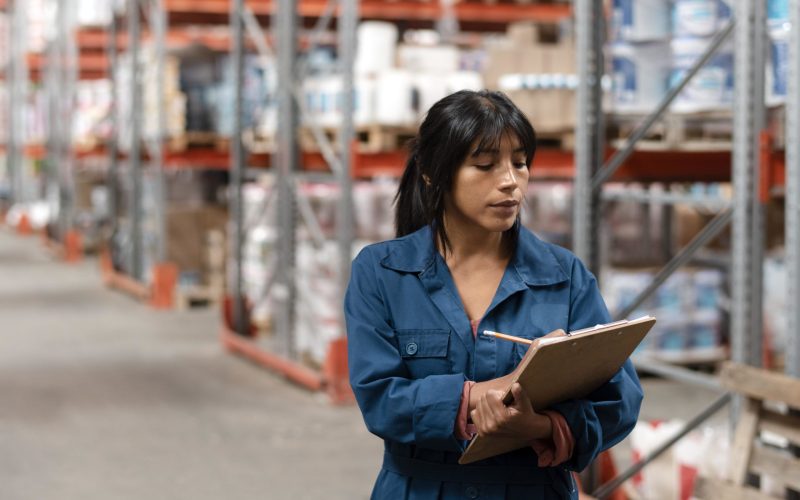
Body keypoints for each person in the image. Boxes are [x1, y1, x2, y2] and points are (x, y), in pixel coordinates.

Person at [344, 90, 643, 499]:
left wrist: (538, 428)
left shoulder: (563, 277)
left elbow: (619, 401)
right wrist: (486, 394)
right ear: (433, 172)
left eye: (519, 163)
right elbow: (379, 398)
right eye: (484, 164)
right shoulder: (382, 273)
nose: (509, 181)